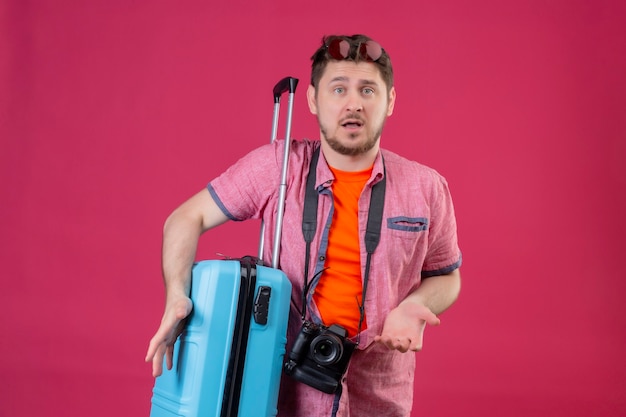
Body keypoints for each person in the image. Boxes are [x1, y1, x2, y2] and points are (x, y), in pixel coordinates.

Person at [146, 34, 462, 417]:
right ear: (313, 99)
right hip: (276, 395)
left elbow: (447, 276)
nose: (353, 104)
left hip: (379, 398)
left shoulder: (426, 187)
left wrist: (414, 306)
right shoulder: (277, 167)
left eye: (368, 90)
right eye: (338, 88)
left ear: (390, 101)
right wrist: (177, 296)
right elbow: (184, 218)